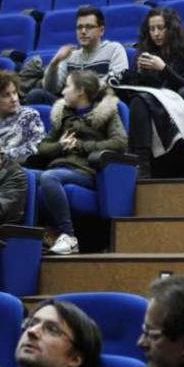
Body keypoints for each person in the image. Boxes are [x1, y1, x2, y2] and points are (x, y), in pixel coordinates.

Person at [37, 70, 127, 255]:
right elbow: (42, 147)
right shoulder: (63, 114)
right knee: (24, 176)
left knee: (49, 178)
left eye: (67, 86)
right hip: (60, 166)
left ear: (81, 91)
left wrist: (83, 145)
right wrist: (61, 146)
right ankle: (34, 236)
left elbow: (119, 142)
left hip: (86, 171)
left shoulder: (106, 112)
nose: (62, 92)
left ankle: (69, 237)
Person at [119, 8, 184, 178]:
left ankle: (141, 162)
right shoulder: (147, 52)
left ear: (171, 29)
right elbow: (147, 86)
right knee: (134, 99)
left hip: (176, 100)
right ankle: (137, 162)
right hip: (151, 100)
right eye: (151, 29)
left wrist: (163, 69)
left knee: (139, 101)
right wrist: (140, 73)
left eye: (160, 28)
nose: (156, 33)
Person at [24, 6, 129, 105]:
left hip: (98, 102)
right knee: (36, 95)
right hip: (71, 106)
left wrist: (80, 92)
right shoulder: (70, 55)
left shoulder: (114, 49)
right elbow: (51, 89)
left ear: (101, 30)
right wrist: (55, 62)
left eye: (89, 27)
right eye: (79, 27)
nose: (83, 31)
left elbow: (115, 81)